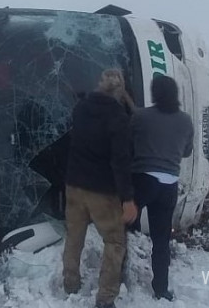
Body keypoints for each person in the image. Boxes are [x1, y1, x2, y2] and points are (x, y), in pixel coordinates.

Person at [62, 69, 138, 308]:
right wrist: (127, 198)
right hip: (102, 192)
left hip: (74, 185)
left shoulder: (80, 108)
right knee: (115, 242)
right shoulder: (118, 117)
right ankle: (105, 299)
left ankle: (70, 284)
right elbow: (120, 161)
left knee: (74, 237)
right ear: (120, 92)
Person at [128, 75, 194, 301]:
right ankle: (161, 289)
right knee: (161, 239)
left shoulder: (141, 116)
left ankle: (117, 277)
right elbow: (186, 151)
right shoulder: (186, 120)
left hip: (143, 180)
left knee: (121, 227)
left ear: (155, 93)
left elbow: (129, 141)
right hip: (169, 186)